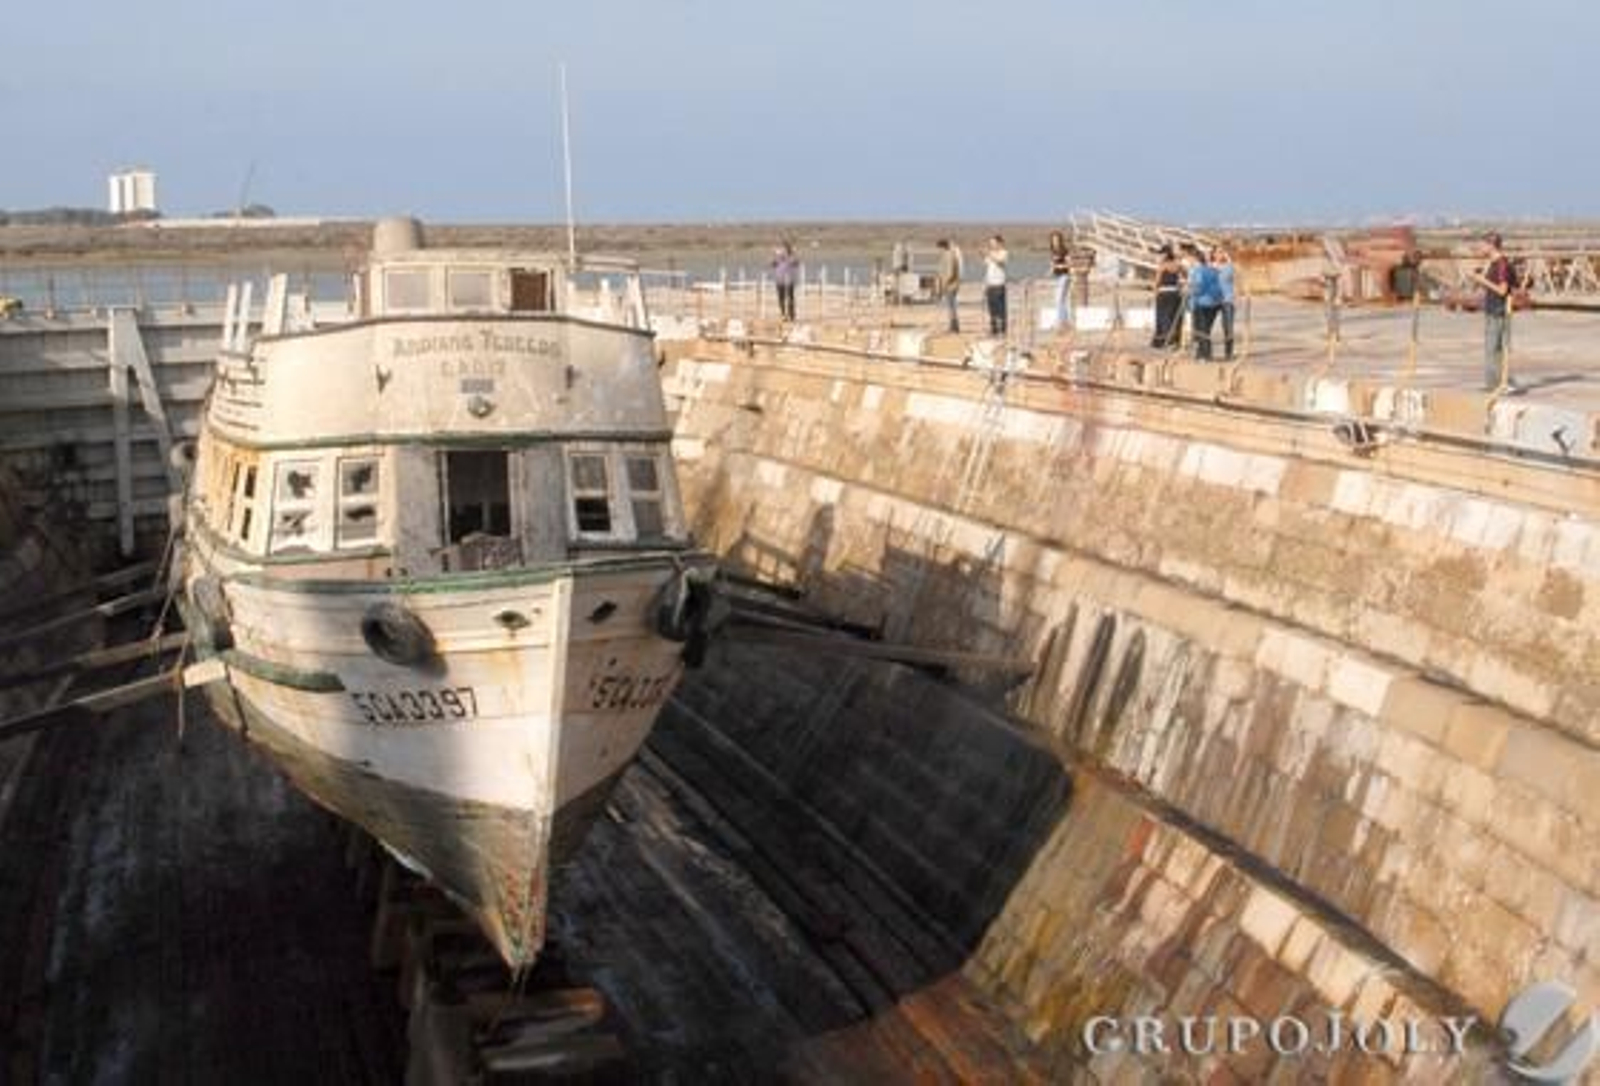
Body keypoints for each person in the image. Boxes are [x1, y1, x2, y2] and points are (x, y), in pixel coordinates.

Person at [1471, 232, 1518, 390]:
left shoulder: (1502, 264)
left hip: (1499, 310)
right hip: (1491, 309)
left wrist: (1482, 280)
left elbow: (1503, 290)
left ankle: (1503, 384)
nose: (1481, 248)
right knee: (1493, 350)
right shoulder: (1492, 263)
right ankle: (1497, 384)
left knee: (1493, 350)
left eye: (1483, 245)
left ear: (1491, 245)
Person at [1186, 248, 1222, 360]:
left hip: (1201, 303)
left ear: (1194, 259)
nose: (1188, 261)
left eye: (1189, 259)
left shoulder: (1196, 270)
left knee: (1201, 330)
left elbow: (1198, 286)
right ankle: (1201, 353)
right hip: (1214, 304)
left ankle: (1205, 355)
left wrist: (1188, 291)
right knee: (1206, 329)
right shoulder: (1212, 270)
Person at [1151, 244, 1183, 350]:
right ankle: (1174, 341)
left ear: (1166, 254)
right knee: (1174, 318)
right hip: (1175, 294)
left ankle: (1164, 341)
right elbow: (1181, 279)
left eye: (1162, 253)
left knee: (1163, 318)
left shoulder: (1162, 265)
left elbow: (1157, 281)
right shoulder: (1177, 265)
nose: (1160, 256)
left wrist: (1154, 294)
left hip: (1164, 294)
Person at [1212, 247, 1236, 359]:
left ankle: (1228, 352)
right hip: (1212, 300)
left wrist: (1227, 258)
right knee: (1206, 326)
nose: (1220, 254)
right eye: (1218, 252)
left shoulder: (1229, 267)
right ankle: (1205, 351)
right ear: (1214, 254)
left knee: (1228, 327)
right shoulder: (1210, 266)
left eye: (1222, 252)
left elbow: (1230, 274)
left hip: (1227, 300)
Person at [983, 235, 1009, 335]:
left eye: (993, 243)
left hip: (999, 284)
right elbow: (987, 267)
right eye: (990, 243)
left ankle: (1002, 330)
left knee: (1000, 309)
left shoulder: (1004, 253)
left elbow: (1000, 262)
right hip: (990, 284)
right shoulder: (991, 254)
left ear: (999, 243)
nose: (991, 245)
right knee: (992, 309)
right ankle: (993, 330)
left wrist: (990, 255)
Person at [936, 238, 962, 332]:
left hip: (951, 285)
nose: (938, 250)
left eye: (939, 248)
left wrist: (944, 284)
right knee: (950, 306)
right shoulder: (944, 256)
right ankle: (952, 325)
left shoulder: (950, 256)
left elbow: (951, 273)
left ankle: (954, 326)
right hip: (947, 284)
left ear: (943, 247)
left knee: (951, 306)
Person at [1049, 229, 1072, 330]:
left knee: (1059, 299)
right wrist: (1051, 269)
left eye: (1057, 240)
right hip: (1057, 277)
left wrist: (1059, 266)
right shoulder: (1053, 251)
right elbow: (1053, 265)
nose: (1055, 242)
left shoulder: (1064, 251)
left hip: (1064, 276)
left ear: (1060, 240)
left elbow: (1069, 264)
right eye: (1053, 240)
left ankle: (1060, 322)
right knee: (1061, 300)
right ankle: (1065, 321)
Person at [771, 240, 799, 322]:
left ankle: (791, 315)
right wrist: (775, 256)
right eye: (782, 249)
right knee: (781, 298)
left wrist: (792, 255)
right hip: (780, 281)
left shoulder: (791, 257)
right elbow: (772, 264)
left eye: (785, 249)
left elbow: (796, 263)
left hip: (789, 281)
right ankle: (783, 314)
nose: (783, 251)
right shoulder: (778, 258)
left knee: (790, 298)